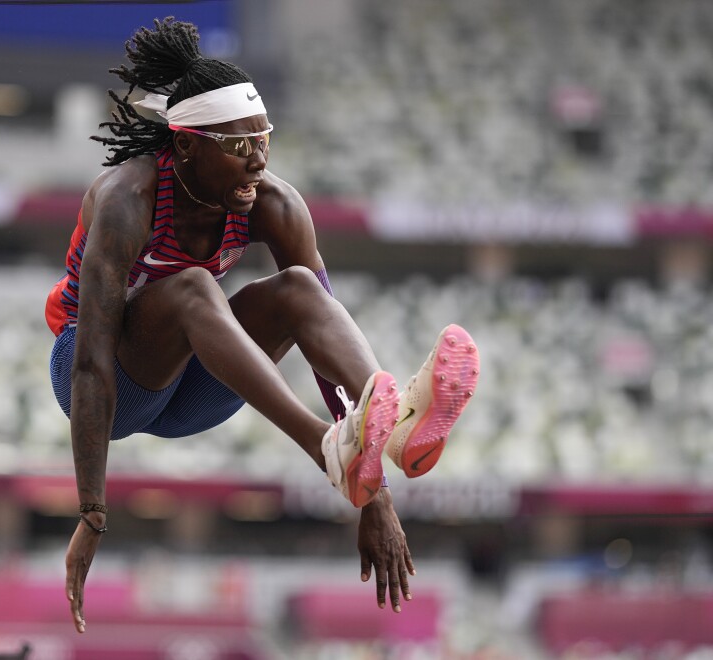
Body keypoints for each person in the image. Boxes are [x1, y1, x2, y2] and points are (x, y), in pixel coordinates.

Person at [45, 17, 480, 633]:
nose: (257, 161)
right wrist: (91, 511)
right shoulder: (127, 199)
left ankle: (393, 433)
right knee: (195, 285)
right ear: (187, 144)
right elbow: (90, 361)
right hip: (103, 383)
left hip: (194, 390)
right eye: (238, 145)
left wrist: (373, 492)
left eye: (264, 140)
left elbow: (317, 331)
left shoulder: (274, 204)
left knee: (302, 288)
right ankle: (328, 448)